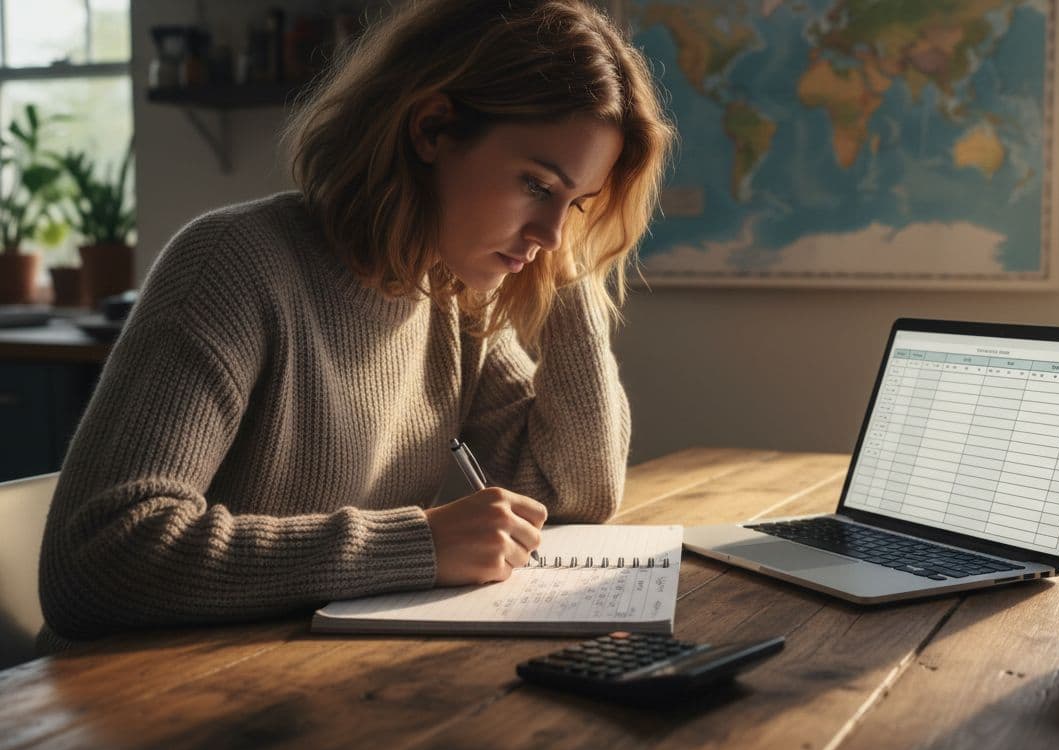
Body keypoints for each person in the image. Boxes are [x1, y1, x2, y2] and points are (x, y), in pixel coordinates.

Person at [38, 0, 675, 641]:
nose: (551, 232)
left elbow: (576, 494)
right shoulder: (232, 264)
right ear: (430, 128)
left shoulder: (455, 295)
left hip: (303, 684)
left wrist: (573, 265)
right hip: (135, 707)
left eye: (578, 201)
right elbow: (95, 562)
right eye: (537, 185)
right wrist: (414, 545)